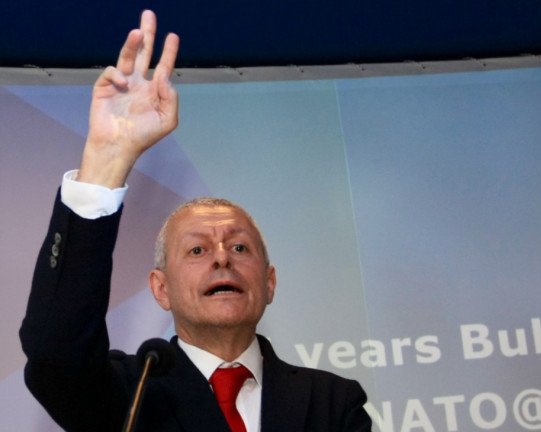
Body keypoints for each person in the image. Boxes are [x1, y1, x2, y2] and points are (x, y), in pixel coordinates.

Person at [19, 10, 372, 432]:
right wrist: (105, 162)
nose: (222, 259)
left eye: (239, 247)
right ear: (161, 288)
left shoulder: (331, 403)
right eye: (197, 250)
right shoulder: (129, 393)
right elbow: (55, 356)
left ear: (269, 282)